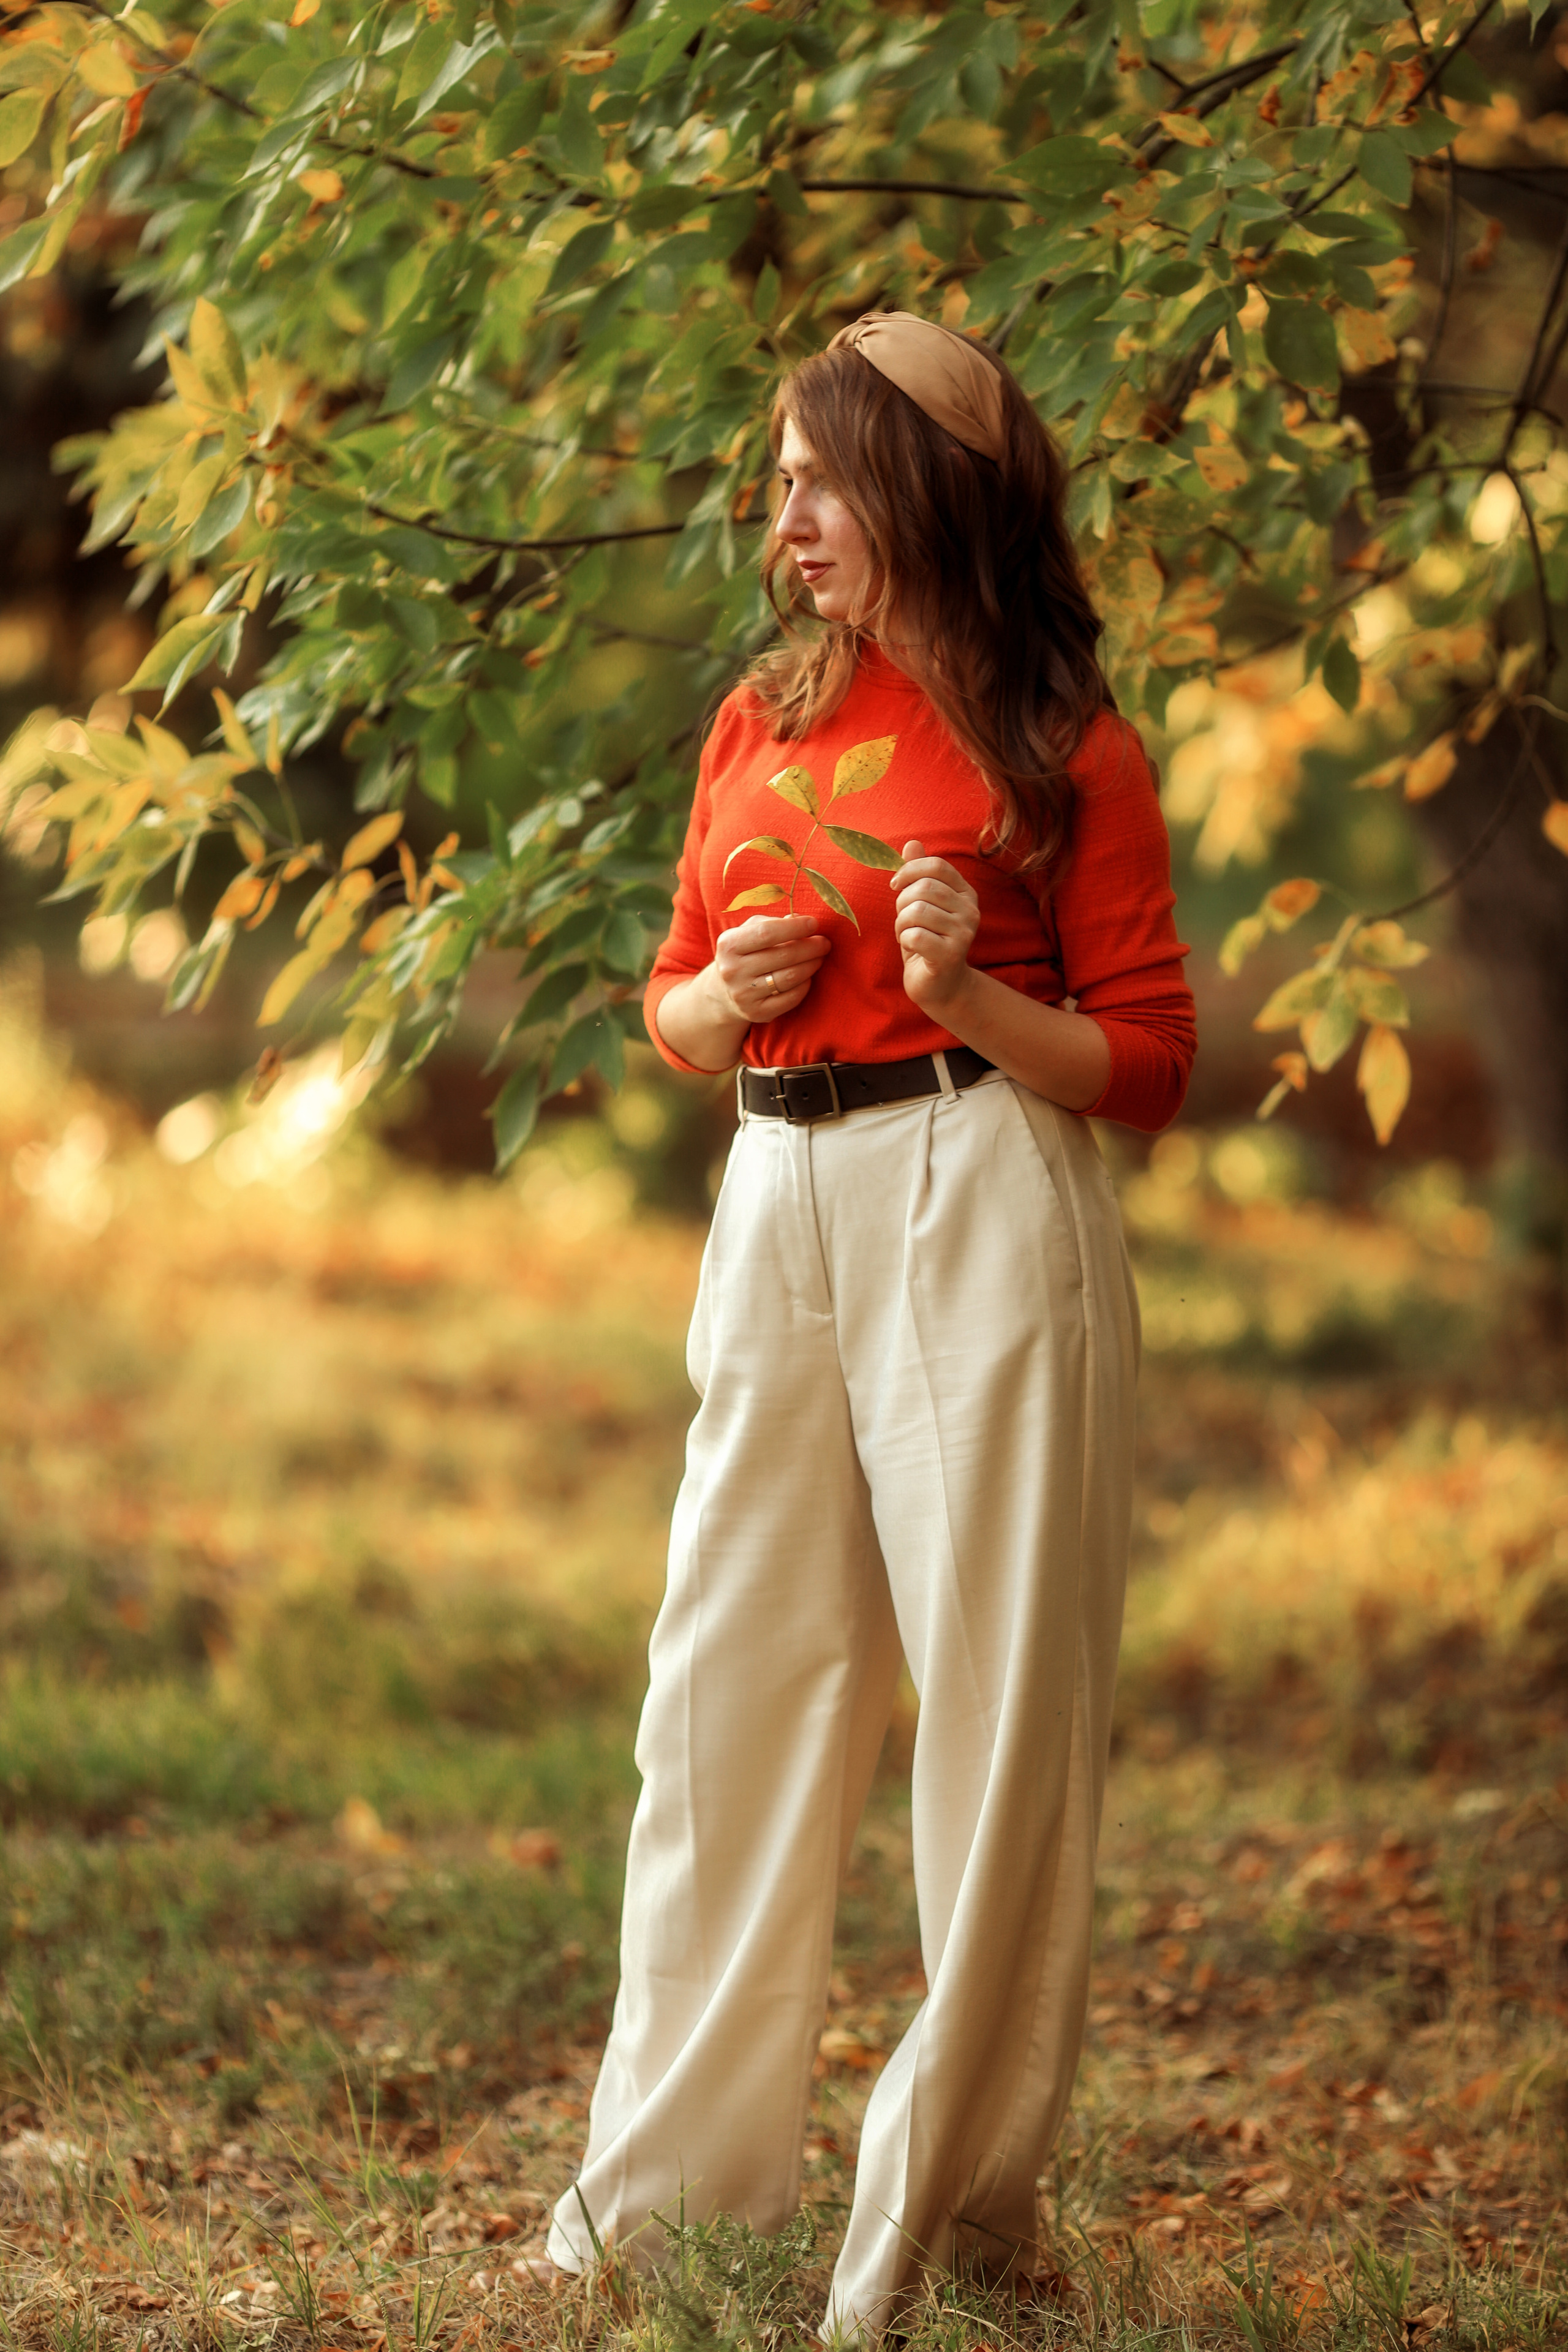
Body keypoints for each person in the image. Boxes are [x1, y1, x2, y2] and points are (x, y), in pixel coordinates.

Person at [542, 312, 1197, 2338]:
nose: (788, 512)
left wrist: (974, 993)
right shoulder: (762, 719)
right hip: (776, 1189)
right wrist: (723, 1003)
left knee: (998, 1722)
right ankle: (659, 2200)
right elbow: (666, 1002)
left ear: (922, 490)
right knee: (724, 1694)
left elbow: (1151, 1063)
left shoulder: (1060, 746)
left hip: (978, 1186)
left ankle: (943, 2223)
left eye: (824, 474)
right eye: (784, 476)